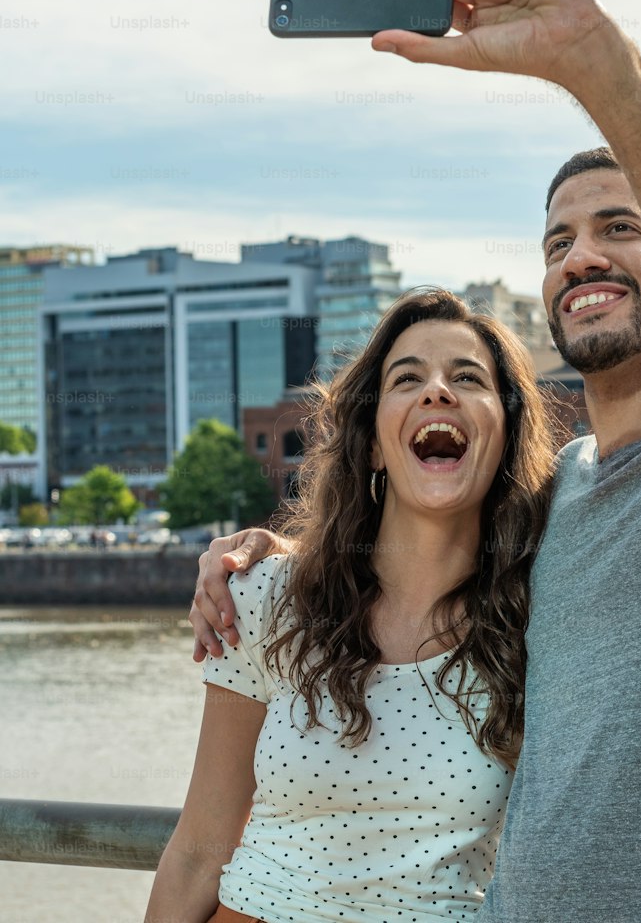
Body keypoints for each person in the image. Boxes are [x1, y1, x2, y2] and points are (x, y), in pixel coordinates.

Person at [190, 0, 641, 922]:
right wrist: (267, 554)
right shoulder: (548, 507)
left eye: (622, 226)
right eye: (558, 240)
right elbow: (415, 548)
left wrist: (593, 62)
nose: (581, 255)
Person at [147, 289, 557, 922]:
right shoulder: (264, 596)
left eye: (467, 377)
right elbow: (199, 851)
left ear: (504, 433)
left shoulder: (543, 623)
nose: (438, 391)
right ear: (370, 443)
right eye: (408, 377)